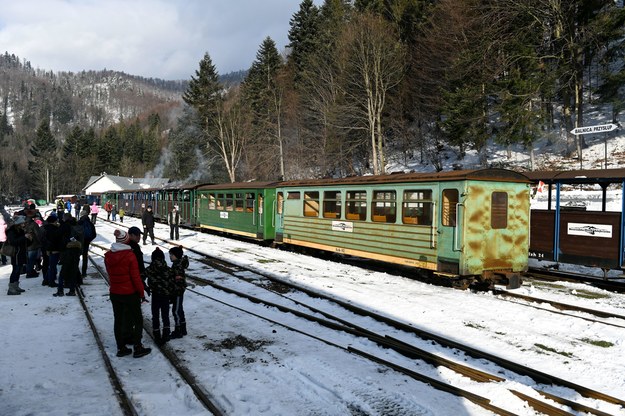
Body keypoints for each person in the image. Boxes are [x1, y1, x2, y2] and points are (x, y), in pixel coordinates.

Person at [104, 229, 151, 358]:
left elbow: (110, 274)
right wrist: (141, 293)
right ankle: (137, 347)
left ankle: (121, 348)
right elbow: (136, 277)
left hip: (115, 292)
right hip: (130, 293)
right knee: (138, 319)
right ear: (126, 241)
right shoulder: (130, 255)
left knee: (118, 321)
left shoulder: (108, 256)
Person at [145, 247, 175, 346]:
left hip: (156, 295)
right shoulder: (168, 269)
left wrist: (146, 287)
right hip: (166, 295)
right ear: (163, 258)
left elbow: (140, 277)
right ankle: (166, 333)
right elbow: (173, 282)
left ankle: (157, 333)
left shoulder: (150, 269)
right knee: (165, 315)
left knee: (155, 315)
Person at [6, 216, 30, 295]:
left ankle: (16, 286)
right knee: (15, 270)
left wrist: (29, 239)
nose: (24, 224)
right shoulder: (12, 231)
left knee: (18, 270)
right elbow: (13, 242)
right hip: (15, 253)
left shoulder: (21, 230)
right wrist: (24, 237)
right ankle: (11, 288)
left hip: (21, 253)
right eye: (22, 223)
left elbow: (25, 243)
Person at [169, 246, 189, 339]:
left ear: (176, 256)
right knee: (179, 309)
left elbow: (178, 279)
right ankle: (183, 329)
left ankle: (178, 331)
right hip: (179, 290)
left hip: (177, 291)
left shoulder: (177, 266)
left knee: (176, 311)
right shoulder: (178, 264)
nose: (170, 256)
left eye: (171, 255)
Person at [41, 213, 63, 287]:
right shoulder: (54, 229)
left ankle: (46, 280)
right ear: (54, 221)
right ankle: (51, 281)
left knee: (49, 265)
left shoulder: (44, 228)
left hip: (46, 249)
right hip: (53, 249)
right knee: (52, 266)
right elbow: (55, 240)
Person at [77, 211, 97, 280]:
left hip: (79, 243)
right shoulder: (90, 223)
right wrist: (88, 240)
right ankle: (84, 272)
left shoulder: (78, 223)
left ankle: (77, 272)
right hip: (86, 242)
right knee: (85, 257)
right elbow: (94, 234)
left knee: (77, 257)